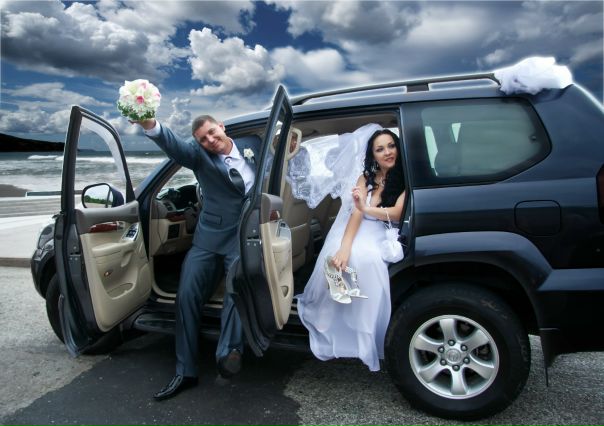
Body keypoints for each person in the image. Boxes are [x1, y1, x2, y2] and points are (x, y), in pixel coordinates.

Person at [133, 115, 260, 400]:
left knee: (237, 286)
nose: (210, 140)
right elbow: (175, 146)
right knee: (186, 295)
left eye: (212, 132)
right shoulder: (199, 156)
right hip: (209, 239)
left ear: (222, 126)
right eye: (203, 138)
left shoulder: (253, 144)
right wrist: (150, 125)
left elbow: (279, 159)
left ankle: (229, 353)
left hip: (243, 237)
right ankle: (185, 371)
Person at [295, 127, 406, 371]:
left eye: (391, 146)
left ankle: (364, 333)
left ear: (398, 147)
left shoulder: (405, 177)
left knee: (367, 259)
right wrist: (345, 247)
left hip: (382, 228)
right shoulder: (365, 178)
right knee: (336, 254)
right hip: (359, 225)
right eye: (380, 149)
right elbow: (356, 215)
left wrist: (366, 209)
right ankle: (331, 319)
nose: (387, 152)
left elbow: (397, 213)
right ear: (373, 155)